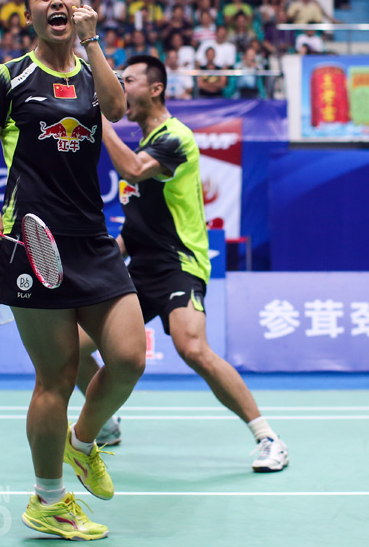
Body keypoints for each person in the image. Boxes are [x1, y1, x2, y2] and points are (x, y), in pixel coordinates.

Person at [0, 0, 146, 540]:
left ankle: (82, 442)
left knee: (129, 357)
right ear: (29, 15)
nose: (56, 0)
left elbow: (117, 109)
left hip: (91, 237)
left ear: (81, 7)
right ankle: (48, 499)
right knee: (57, 377)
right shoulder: (8, 77)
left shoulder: (94, 69)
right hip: (31, 237)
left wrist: (95, 43)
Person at [76, 55, 289, 474]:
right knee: (74, 346)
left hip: (179, 264)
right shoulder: (142, 145)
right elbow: (133, 230)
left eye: (128, 80)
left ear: (155, 89)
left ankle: (268, 437)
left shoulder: (175, 138)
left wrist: (98, 118)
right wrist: (101, 258)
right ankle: (106, 423)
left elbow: (133, 170)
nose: (120, 87)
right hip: (139, 270)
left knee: (193, 348)